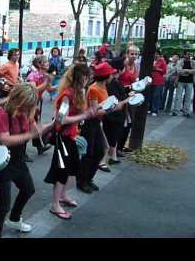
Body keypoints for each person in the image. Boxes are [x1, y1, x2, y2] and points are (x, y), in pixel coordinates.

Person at [0, 83, 52, 237]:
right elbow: (4, 139)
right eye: (26, 106)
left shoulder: (26, 110)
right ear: (18, 100)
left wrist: (53, 124)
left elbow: (34, 131)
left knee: (28, 189)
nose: (28, 110)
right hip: (3, 163)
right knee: (3, 205)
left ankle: (14, 219)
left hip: (18, 160)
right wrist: (29, 135)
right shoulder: (2, 111)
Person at [44, 64, 96, 219]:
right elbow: (60, 119)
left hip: (71, 136)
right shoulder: (68, 94)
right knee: (62, 171)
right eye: (85, 77)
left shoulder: (78, 92)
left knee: (71, 169)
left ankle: (62, 196)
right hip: (63, 137)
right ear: (79, 78)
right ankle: (55, 205)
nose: (87, 80)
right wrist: (83, 116)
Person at [78, 62, 127, 193]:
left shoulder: (104, 86)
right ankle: (82, 181)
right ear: (106, 76)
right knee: (89, 153)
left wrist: (117, 105)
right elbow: (95, 111)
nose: (113, 75)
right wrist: (113, 108)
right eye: (111, 73)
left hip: (96, 123)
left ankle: (88, 179)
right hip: (89, 123)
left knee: (99, 151)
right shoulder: (94, 89)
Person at [27, 55, 55, 155]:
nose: (48, 64)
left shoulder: (45, 75)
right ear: (39, 64)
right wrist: (46, 82)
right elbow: (33, 90)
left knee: (36, 123)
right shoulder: (33, 75)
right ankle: (22, 151)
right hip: (30, 103)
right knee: (29, 125)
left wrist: (63, 85)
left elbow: (50, 89)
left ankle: (40, 146)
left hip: (38, 103)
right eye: (46, 62)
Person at [103, 57, 128, 166]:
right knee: (112, 136)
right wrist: (127, 99)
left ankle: (112, 156)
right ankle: (105, 159)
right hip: (114, 114)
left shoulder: (114, 81)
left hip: (114, 114)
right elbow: (116, 100)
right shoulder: (112, 82)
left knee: (113, 135)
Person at [117, 45, 140, 155]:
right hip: (121, 96)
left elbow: (135, 82)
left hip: (130, 97)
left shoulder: (136, 66)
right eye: (132, 53)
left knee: (129, 123)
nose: (134, 56)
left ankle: (121, 146)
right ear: (127, 54)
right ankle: (116, 147)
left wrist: (135, 89)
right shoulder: (123, 65)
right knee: (122, 123)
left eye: (136, 54)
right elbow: (116, 81)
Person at [172, 51, 195, 118]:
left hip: (190, 81)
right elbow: (178, 71)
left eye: (190, 54)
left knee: (188, 97)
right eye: (188, 54)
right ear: (184, 55)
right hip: (180, 81)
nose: (189, 55)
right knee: (178, 97)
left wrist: (185, 71)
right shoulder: (180, 61)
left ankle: (186, 112)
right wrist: (189, 71)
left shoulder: (193, 62)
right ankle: (176, 111)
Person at [150, 50, 167, 116]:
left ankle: (155, 110)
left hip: (159, 81)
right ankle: (150, 109)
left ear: (160, 55)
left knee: (156, 96)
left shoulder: (162, 61)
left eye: (157, 54)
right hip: (151, 81)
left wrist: (156, 68)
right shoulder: (151, 60)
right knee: (151, 96)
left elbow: (164, 71)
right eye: (154, 54)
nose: (155, 55)